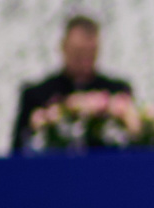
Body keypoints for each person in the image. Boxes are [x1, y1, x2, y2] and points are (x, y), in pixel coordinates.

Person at [10, 14, 132, 153]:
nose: (84, 60)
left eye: (91, 52)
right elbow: (18, 150)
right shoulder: (37, 95)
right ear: (63, 47)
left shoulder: (116, 91)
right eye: (78, 52)